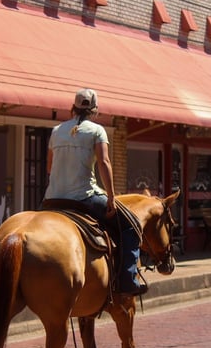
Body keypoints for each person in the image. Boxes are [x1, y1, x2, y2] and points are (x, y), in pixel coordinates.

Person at [42, 88, 146, 296]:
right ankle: (127, 280)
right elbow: (104, 162)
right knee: (131, 226)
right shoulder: (97, 131)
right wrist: (111, 197)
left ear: (73, 108)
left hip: (52, 199)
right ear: (94, 111)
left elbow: (49, 168)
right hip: (84, 197)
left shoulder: (56, 131)